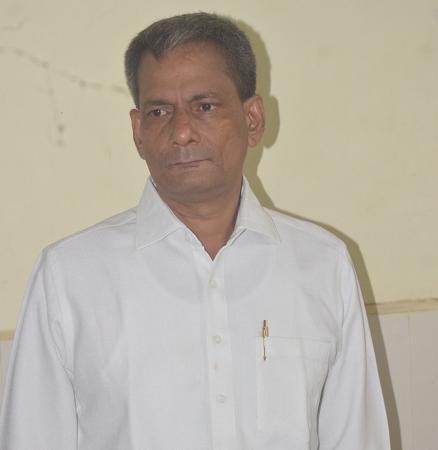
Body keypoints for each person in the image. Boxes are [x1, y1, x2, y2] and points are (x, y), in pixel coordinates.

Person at [0, 12, 390, 450]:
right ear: (138, 132)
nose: (182, 132)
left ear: (253, 119)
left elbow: (358, 438)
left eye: (205, 106)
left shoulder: (322, 264)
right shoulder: (70, 276)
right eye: (159, 111)